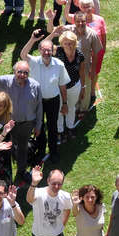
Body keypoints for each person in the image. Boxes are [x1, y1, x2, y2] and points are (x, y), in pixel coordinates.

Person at [0, 50, 43, 183]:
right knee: (6, 148)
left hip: (26, 124)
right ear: (14, 71)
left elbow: (39, 107)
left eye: (25, 73)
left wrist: (38, 125)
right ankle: (4, 174)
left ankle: (21, 172)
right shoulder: (6, 81)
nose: (22, 75)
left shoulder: (35, 86)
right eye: (19, 72)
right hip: (8, 124)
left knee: (22, 149)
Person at [19, 28, 69, 163]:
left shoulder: (59, 65)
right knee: (38, 126)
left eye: (49, 50)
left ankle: (53, 151)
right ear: (40, 50)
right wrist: (32, 40)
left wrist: (64, 103)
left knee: (52, 127)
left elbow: (63, 86)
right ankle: (41, 150)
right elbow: (23, 55)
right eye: (44, 50)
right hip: (37, 101)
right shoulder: (34, 62)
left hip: (53, 101)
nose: (46, 52)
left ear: (53, 51)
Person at [55, 30, 86, 141]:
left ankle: (70, 127)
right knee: (59, 108)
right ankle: (59, 130)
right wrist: (52, 33)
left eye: (71, 43)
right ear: (61, 44)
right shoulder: (57, 52)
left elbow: (82, 72)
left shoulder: (79, 55)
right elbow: (43, 45)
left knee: (71, 107)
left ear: (75, 43)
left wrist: (83, 87)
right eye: (66, 43)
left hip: (74, 86)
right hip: (59, 87)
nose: (69, 45)